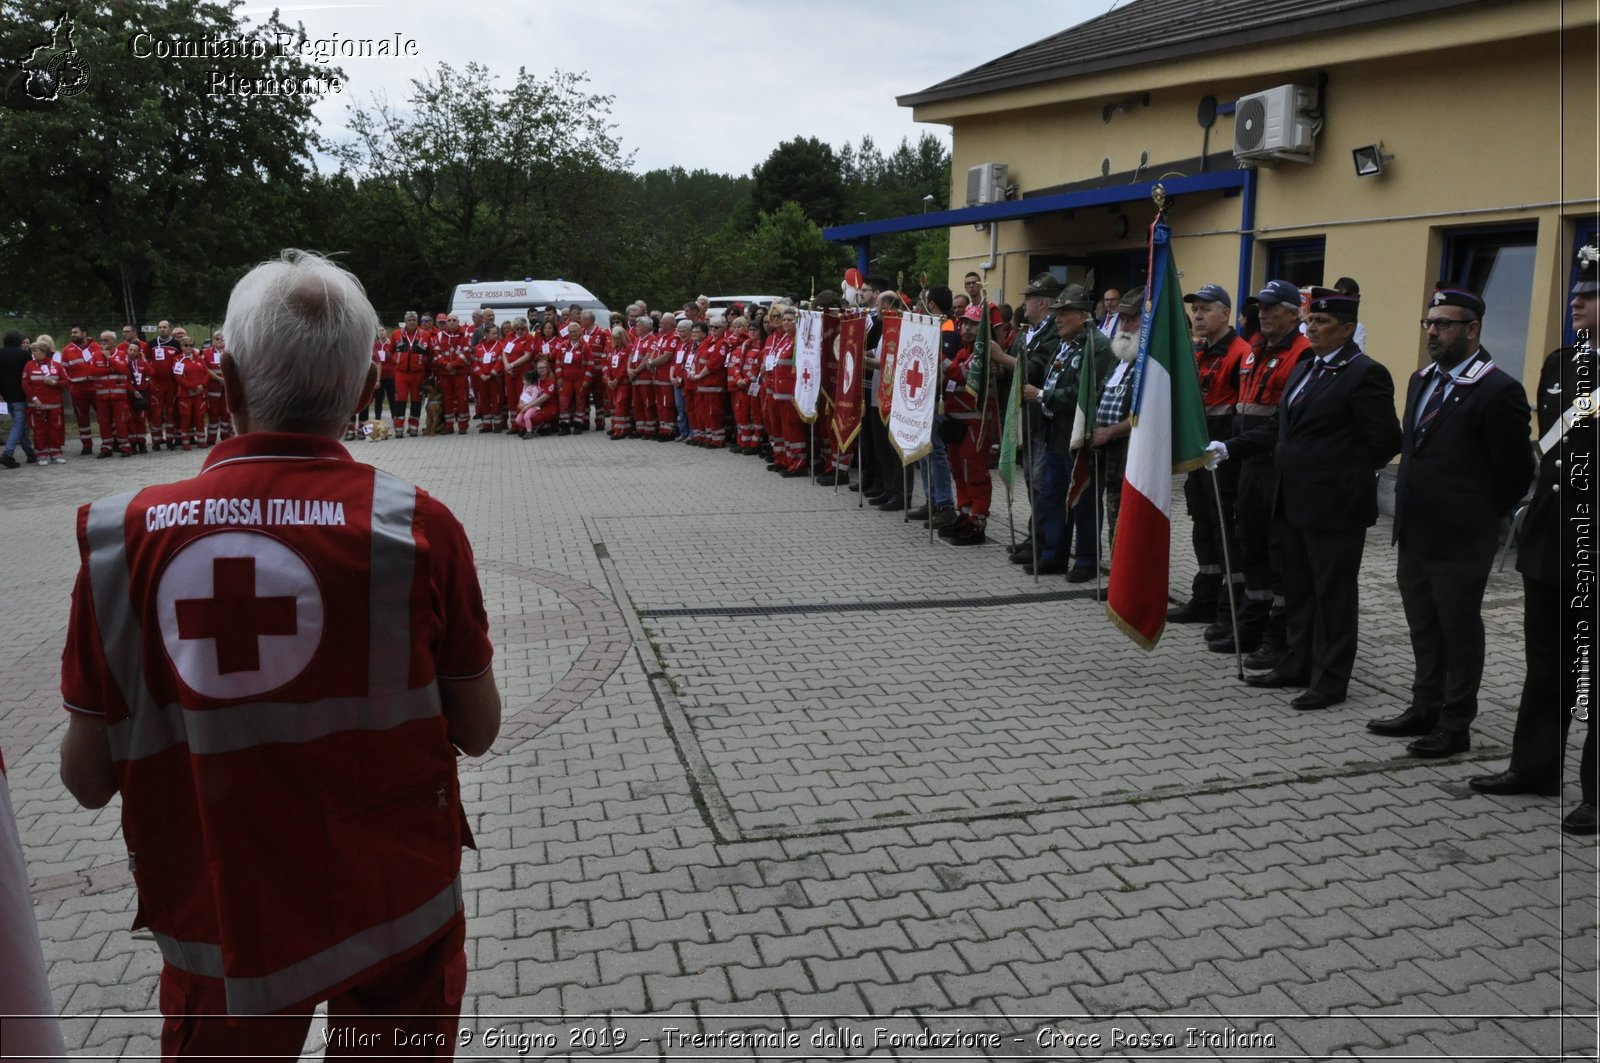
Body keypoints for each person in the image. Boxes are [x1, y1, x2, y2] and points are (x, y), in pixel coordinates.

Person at [58, 249, 501, 1058]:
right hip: (392, 906)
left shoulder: (123, 543)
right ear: (369, 391)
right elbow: (478, 728)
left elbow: (87, 780)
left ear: (224, 384)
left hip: (222, 916)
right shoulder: (418, 527)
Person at [1212, 287, 1402, 711]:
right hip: (1291, 500)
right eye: (1310, 321)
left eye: (1322, 323)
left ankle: (1331, 680)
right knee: (1297, 589)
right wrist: (1231, 447)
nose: (1311, 328)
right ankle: (1296, 663)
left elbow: (1387, 439)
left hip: (1334, 507)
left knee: (1332, 594)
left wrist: (1340, 474)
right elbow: (1280, 429)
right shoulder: (1305, 368)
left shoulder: (1364, 373)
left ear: (1348, 329)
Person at [1364, 287, 1533, 757]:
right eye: (1429, 324)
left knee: (1458, 630)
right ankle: (1424, 706)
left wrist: (1480, 514)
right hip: (1414, 530)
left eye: (1443, 324)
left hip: (1462, 537)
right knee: (1423, 624)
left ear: (1472, 329)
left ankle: (1456, 723)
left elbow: (1516, 471)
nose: (1433, 332)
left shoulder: (1498, 389)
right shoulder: (1422, 379)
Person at [1470, 246, 1598, 831]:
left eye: (1590, 295)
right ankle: (1535, 767)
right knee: (1546, 663)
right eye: (1576, 292)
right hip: (1551, 537)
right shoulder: (1560, 363)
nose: (1575, 301)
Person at [1226, 280, 1313, 669]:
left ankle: (1278, 636)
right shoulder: (1255, 350)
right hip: (1248, 462)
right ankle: (1250, 625)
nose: (1263, 313)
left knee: (1278, 553)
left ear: (1295, 314)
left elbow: (1283, 421)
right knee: (1250, 544)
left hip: (1276, 467)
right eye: (1260, 307)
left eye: (1273, 308)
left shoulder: (1303, 354)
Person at [1170, 284, 1251, 647]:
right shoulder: (1198, 352)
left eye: (1206, 309)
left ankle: (1228, 610)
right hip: (1198, 457)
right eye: (1196, 309)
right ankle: (1203, 599)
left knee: (1226, 534)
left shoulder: (1240, 353)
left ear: (1226, 314)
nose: (1198, 316)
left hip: (1225, 458)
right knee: (1203, 529)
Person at [1020, 285, 1108, 574]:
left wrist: (1043, 396)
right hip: (1054, 433)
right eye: (1056, 313)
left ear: (1083, 315)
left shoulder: (1096, 345)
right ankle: (1053, 555)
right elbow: (1052, 378)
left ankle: (1087, 559)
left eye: (1065, 313)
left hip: (1078, 435)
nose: (1057, 319)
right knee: (1052, 496)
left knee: (1082, 499)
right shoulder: (1062, 343)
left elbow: (1085, 393)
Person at [940, 304, 996, 545]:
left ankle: (977, 521)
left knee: (975, 475)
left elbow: (960, 374)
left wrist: (939, 357)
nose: (966, 328)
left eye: (973, 324)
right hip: (957, 425)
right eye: (964, 323)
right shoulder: (965, 351)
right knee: (959, 473)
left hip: (975, 426)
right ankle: (965, 515)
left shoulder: (983, 354)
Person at [23, 337, 67, 464]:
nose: (33, 354)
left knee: (55, 428)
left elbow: (66, 382)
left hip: (54, 403)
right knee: (39, 430)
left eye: (35, 351)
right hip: (36, 404)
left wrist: (54, 382)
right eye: (33, 351)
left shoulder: (57, 366)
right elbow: (25, 384)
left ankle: (56, 454)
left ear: (43, 351)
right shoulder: (29, 365)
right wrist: (34, 399)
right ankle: (41, 454)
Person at [60, 324, 102, 455]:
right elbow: (63, 370)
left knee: (103, 416)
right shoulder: (67, 350)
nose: (73, 335)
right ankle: (87, 445)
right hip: (78, 388)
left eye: (76, 332)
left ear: (84, 333)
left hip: (96, 386)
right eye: (72, 332)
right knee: (81, 418)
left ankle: (111, 442)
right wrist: (69, 385)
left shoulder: (96, 347)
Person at [1, 330, 38, 468]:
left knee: (20, 425)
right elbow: (30, 375)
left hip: (5, 395)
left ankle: (30, 452)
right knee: (19, 425)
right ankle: (7, 454)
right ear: (19, 341)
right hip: (21, 395)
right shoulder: (24, 355)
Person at [513, 358, 560, 436]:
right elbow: (526, 392)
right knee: (520, 412)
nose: (541, 370)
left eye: (543, 368)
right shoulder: (535, 380)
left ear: (547, 368)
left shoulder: (550, 382)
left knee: (533, 417)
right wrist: (522, 404)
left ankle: (545, 426)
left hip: (548, 407)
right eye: (539, 368)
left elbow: (543, 398)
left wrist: (527, 406)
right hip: (537, 406)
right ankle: (529, 428)